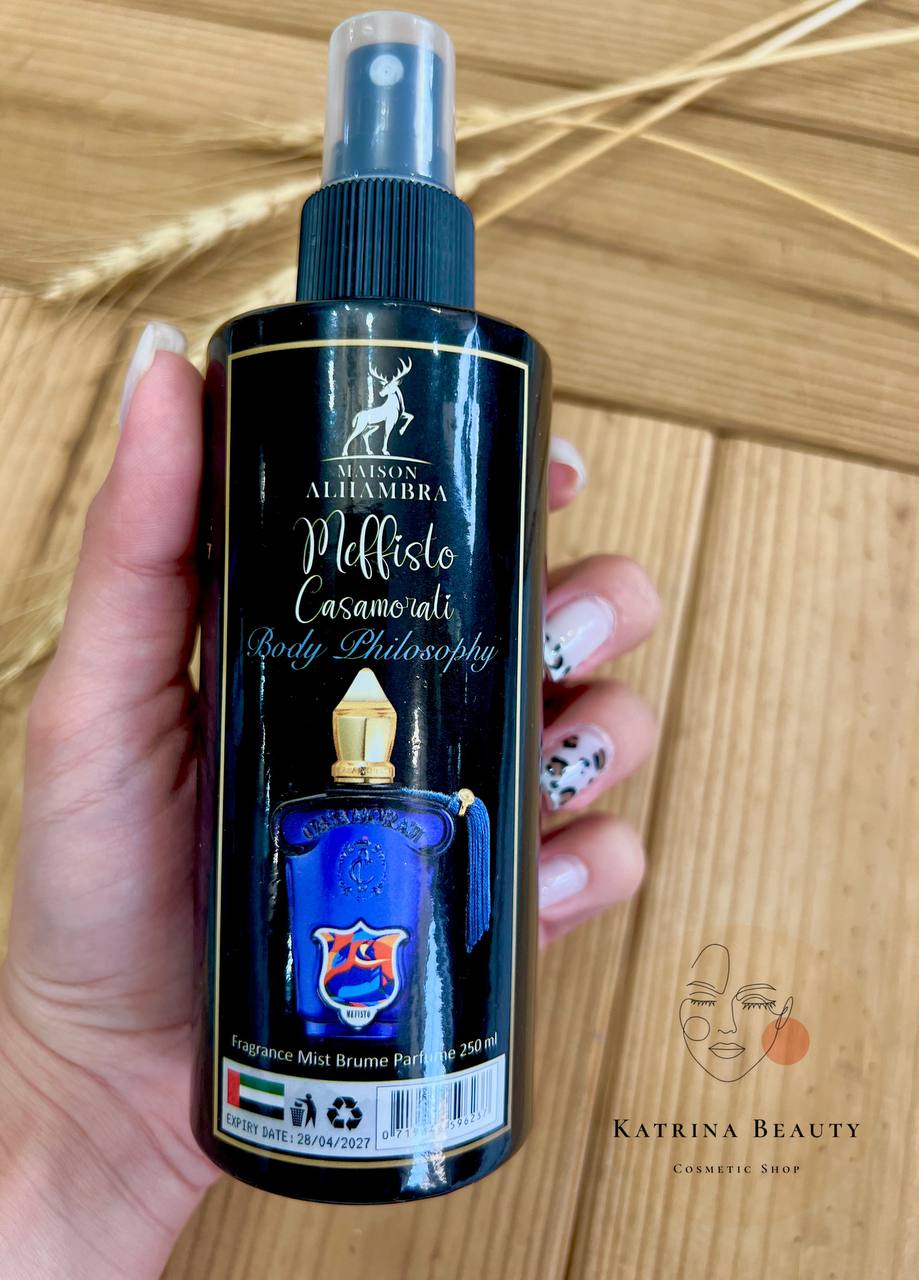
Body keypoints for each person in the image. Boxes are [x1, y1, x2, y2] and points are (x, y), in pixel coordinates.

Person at [0, 323, 659, 1278]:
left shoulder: (483, 368)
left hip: (419, 1089)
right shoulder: (263, 367)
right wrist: (65, 1072)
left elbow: (474, 866)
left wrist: (68, 1098)